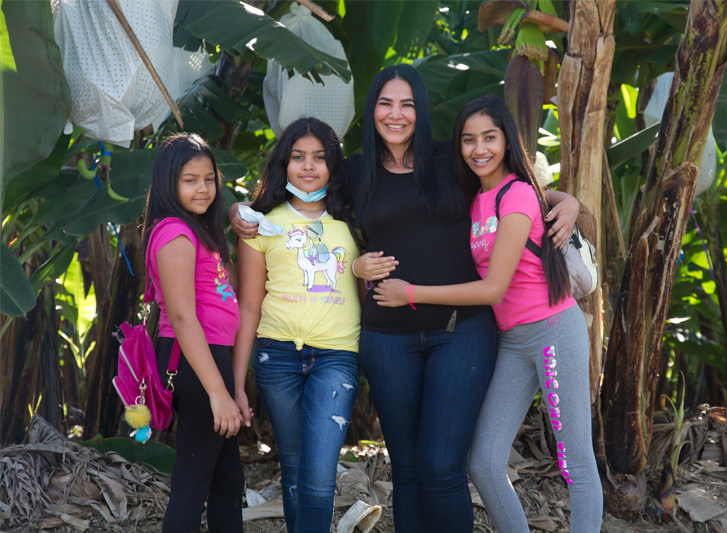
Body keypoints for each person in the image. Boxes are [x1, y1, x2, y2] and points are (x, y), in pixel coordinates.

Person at [231, 66, 577, 532]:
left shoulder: (449, 160)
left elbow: (515, 187)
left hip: (461, 330)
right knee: (408, 467)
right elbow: (294, 192)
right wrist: (239, 211)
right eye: (386, 103)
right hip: (387, 339)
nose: (396, 115)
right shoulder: (354, 172)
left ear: (422, 110)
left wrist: (567, 200)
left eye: (407, 104)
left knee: (441, 465)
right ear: (373, 109)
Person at [372, 95, 603, 533]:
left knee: (574, 458)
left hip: (553, 330)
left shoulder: (515, 194)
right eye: (469, 139)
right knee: (484, 460)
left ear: (508, 141)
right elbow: (544, 193)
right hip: (510, 341)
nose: (480, 149)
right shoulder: (474, 198)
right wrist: (564, 197)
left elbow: (493, 287)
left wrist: (412, 294)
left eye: (490, 138)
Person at [232, 118, 361, 533]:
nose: (308, 166)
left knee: (319, 475)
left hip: (337, 357)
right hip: (277, 356)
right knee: (291, 469)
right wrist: (237, 383)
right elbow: (249, 308)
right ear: (283, 164)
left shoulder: (354, 221)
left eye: (319, 158)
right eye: (298, 157)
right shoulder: (260, 224)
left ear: (333, 165)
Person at [142, 133, 248, 533]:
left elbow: (234, 287)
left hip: (213, 358)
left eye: (209, 179)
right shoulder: (175, 234)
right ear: (170, 183)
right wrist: (218, 393)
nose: (203, 188)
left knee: (227, 482)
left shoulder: (200, 231)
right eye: (190, 180)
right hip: (195, 359)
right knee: (192, 485)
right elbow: (184, 319)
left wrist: (238, 221)